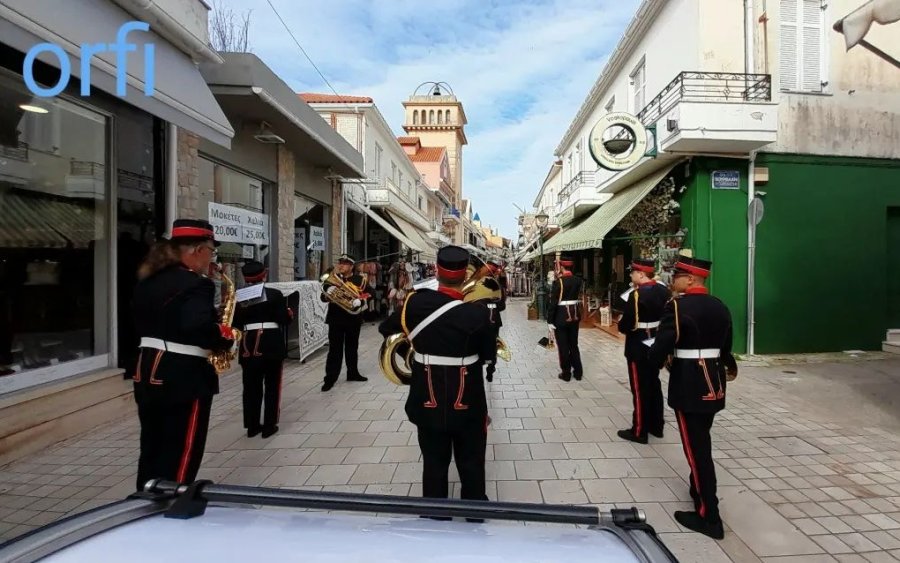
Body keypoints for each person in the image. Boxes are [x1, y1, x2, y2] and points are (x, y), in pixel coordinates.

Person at [378, 246, 496, 509]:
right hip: (467, 400)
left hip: (426, 396)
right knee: (471, 461)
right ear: (465, 275)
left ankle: (434, 511)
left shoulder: (414, 302)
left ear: (438, 272)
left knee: (433, 461)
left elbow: (385, 328)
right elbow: (489, 355)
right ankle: (474, 510)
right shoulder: (478, 313)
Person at [131, 219, 235, 491]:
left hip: (147, 368)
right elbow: (197, 326)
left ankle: (147, 495)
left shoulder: (148, 279)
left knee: (152, 444)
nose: (211, 258)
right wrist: (227, 337)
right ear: (197, 250)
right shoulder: (196, 283)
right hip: (183, 374)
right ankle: (173, 501)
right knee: (182, 448)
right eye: (211, 252)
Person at [649, 256, 737, 540]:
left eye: (677, 275)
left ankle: (709, 516)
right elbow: (726, 346)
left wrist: (652, 361)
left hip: (689, 382)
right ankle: (697, 488)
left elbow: (663, 342)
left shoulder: (676, 306)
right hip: (714, 381)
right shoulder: (720, 305)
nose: (672, 279)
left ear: (691, 279)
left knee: (696, 449)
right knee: (702, 437)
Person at [232, 261, 293, 439]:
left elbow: (235, 323)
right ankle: (269, 425)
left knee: (250, 386)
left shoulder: (238, 297)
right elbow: (283, 319)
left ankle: (252, 426)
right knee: (272, 385)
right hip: (270, 341)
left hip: (247, 343)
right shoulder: (274, 294)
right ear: (263, 275)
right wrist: (288, 314)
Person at [616, 258, 670, 444]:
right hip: (656, 341)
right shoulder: (664, 290)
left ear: (641, 274)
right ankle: (657, 426)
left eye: (633, 272)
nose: (631, 275)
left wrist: (621, 326)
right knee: (654, 384)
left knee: (639, 389)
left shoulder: (636, 295)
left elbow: (627, 324)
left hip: (638, 343)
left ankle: (639, 430)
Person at [320, 254, 368, 392]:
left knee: (352, 347)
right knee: (335, 349)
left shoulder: (360, 280)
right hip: (335, 318)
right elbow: (322, 298)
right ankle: (330, 378)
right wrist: (327, 293)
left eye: (345, 264)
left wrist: (361, 301)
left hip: (353, 319)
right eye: (340, 263)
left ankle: (353, 373)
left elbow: (368, 293)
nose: (341, 266)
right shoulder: (332, 279)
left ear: (351, 266)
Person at [546, 256, 583, 381]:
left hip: (561, 317)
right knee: (574, 345)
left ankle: (566, 373)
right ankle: (578, 372)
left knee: (563, 346)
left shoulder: (559, 282)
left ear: (561, 267)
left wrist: (550, 320)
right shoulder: (578, 280)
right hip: (575, 316)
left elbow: (553, 303)